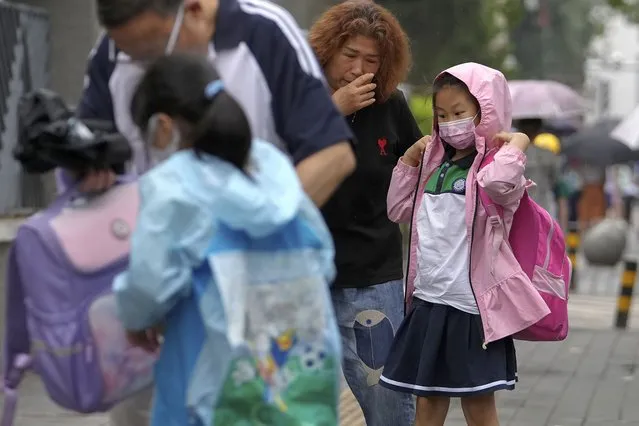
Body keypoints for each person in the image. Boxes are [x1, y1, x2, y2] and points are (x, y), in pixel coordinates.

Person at [114, 53, 341, 426]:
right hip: (305, 386)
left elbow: (148, 284)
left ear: (163, 125)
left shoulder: (174, 184)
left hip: (215, 388)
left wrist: (136, 318)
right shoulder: (271, 168)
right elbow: (324, 257)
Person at [380, 63, 547, 426]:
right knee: (428, 404)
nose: (449, 122)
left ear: (484, 113)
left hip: (471, 307)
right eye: (441, 115)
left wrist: (516, 145)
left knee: (478, 406)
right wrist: (409, 161)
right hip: (429, 300)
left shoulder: (494, 165)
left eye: (459, 113)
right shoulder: (433, 165)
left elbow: (498, 186)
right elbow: (397, 209)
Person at [64, 0, 355, 208]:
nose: (146, 71)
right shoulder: (113, 52)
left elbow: (332, 156)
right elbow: (93, 154)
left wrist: (262, 232)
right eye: (134, 59)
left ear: (193, 9)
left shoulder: (264, 34)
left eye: (154, 55)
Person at [308, 2, 420, 424]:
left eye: (370, 60)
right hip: (306, 272)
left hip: (373, 275)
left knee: (387, 395)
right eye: (349, 55)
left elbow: (417, 170)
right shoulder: (301, 103)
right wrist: (331, 111)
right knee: (299, 393)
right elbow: (278, 165)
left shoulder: (392, 106)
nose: (358, 69)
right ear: (327, 51)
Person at [514, 118, 562, 218]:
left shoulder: (510, 154)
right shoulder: (548, 154)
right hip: (543, 206)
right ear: (539, 130)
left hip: (517, 207)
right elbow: (556, 182)